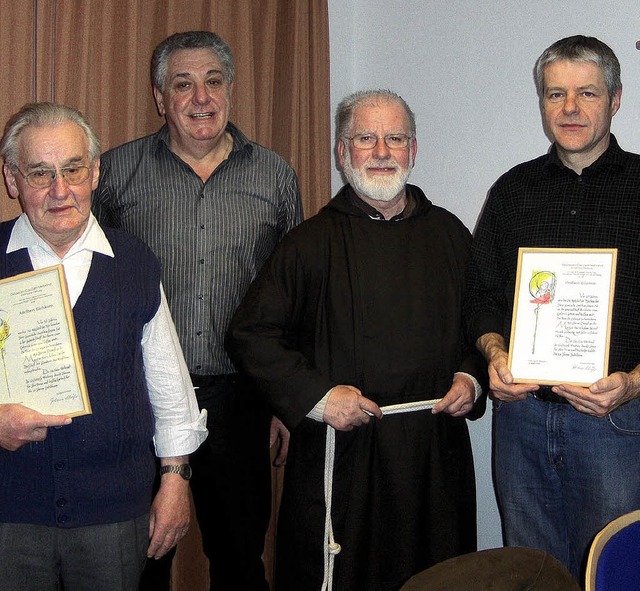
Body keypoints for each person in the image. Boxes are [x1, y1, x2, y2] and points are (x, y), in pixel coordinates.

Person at [227, 89, 486, 591]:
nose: (382, 151)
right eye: (366, 138)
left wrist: (472, 377)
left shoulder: (451, 235)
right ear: (342, 153)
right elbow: (250, 333)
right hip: (345, 453)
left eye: (395, 138)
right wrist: (318, 399)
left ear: (414, 150)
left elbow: (484, 324)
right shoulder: (309, 242)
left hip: (434, 455)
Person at [91, 31, 303, 591]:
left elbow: (294, 297)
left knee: (240, 560)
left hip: (241, 400)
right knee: (142, 560)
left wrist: (289, 398)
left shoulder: (275, 176)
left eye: (213, 81)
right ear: (160, 98)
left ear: (230, 89)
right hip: (141, 400)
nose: (200, 97)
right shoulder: (115, 173)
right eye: (183, 84)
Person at [0, 102, 207, 591]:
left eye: (73, 169)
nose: (60, 190)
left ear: (95, 172)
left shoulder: (134, 262)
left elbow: (170, 387)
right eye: (39, 172)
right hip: (9, 509)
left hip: (115, 512)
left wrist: (176, 480)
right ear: (12, 180)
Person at [465, 35, 640, 582]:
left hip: (613, 418)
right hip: (521, 421)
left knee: (612, 572)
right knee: (532, 571)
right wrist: (495, 354)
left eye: (586, 93)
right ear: (540, 102)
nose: (569, 108)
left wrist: (635, 383)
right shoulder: (513, 190)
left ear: (614, 100)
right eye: (554, 94)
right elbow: (481, 295)